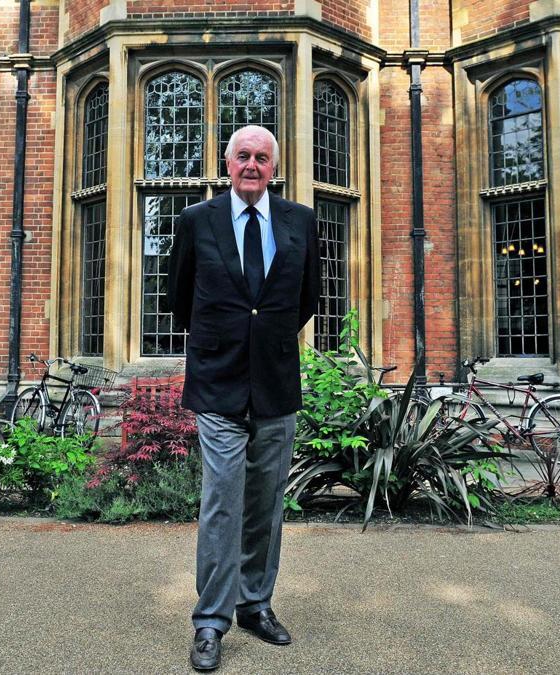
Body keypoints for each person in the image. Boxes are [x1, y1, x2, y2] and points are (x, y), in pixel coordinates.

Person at [167, 125, 320, 671]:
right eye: (243, 157)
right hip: (219, 383)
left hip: (276, 383)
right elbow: (179, 298)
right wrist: (227, 340)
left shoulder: (300, 220)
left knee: (266, 506)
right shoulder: (196, 221)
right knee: (223, 501)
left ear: (273, 167)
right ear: (227, 164)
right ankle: (210, 620)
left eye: (262, 157)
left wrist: (266, 339)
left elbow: (308, 298)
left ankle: (255, 604)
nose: (252, 165)